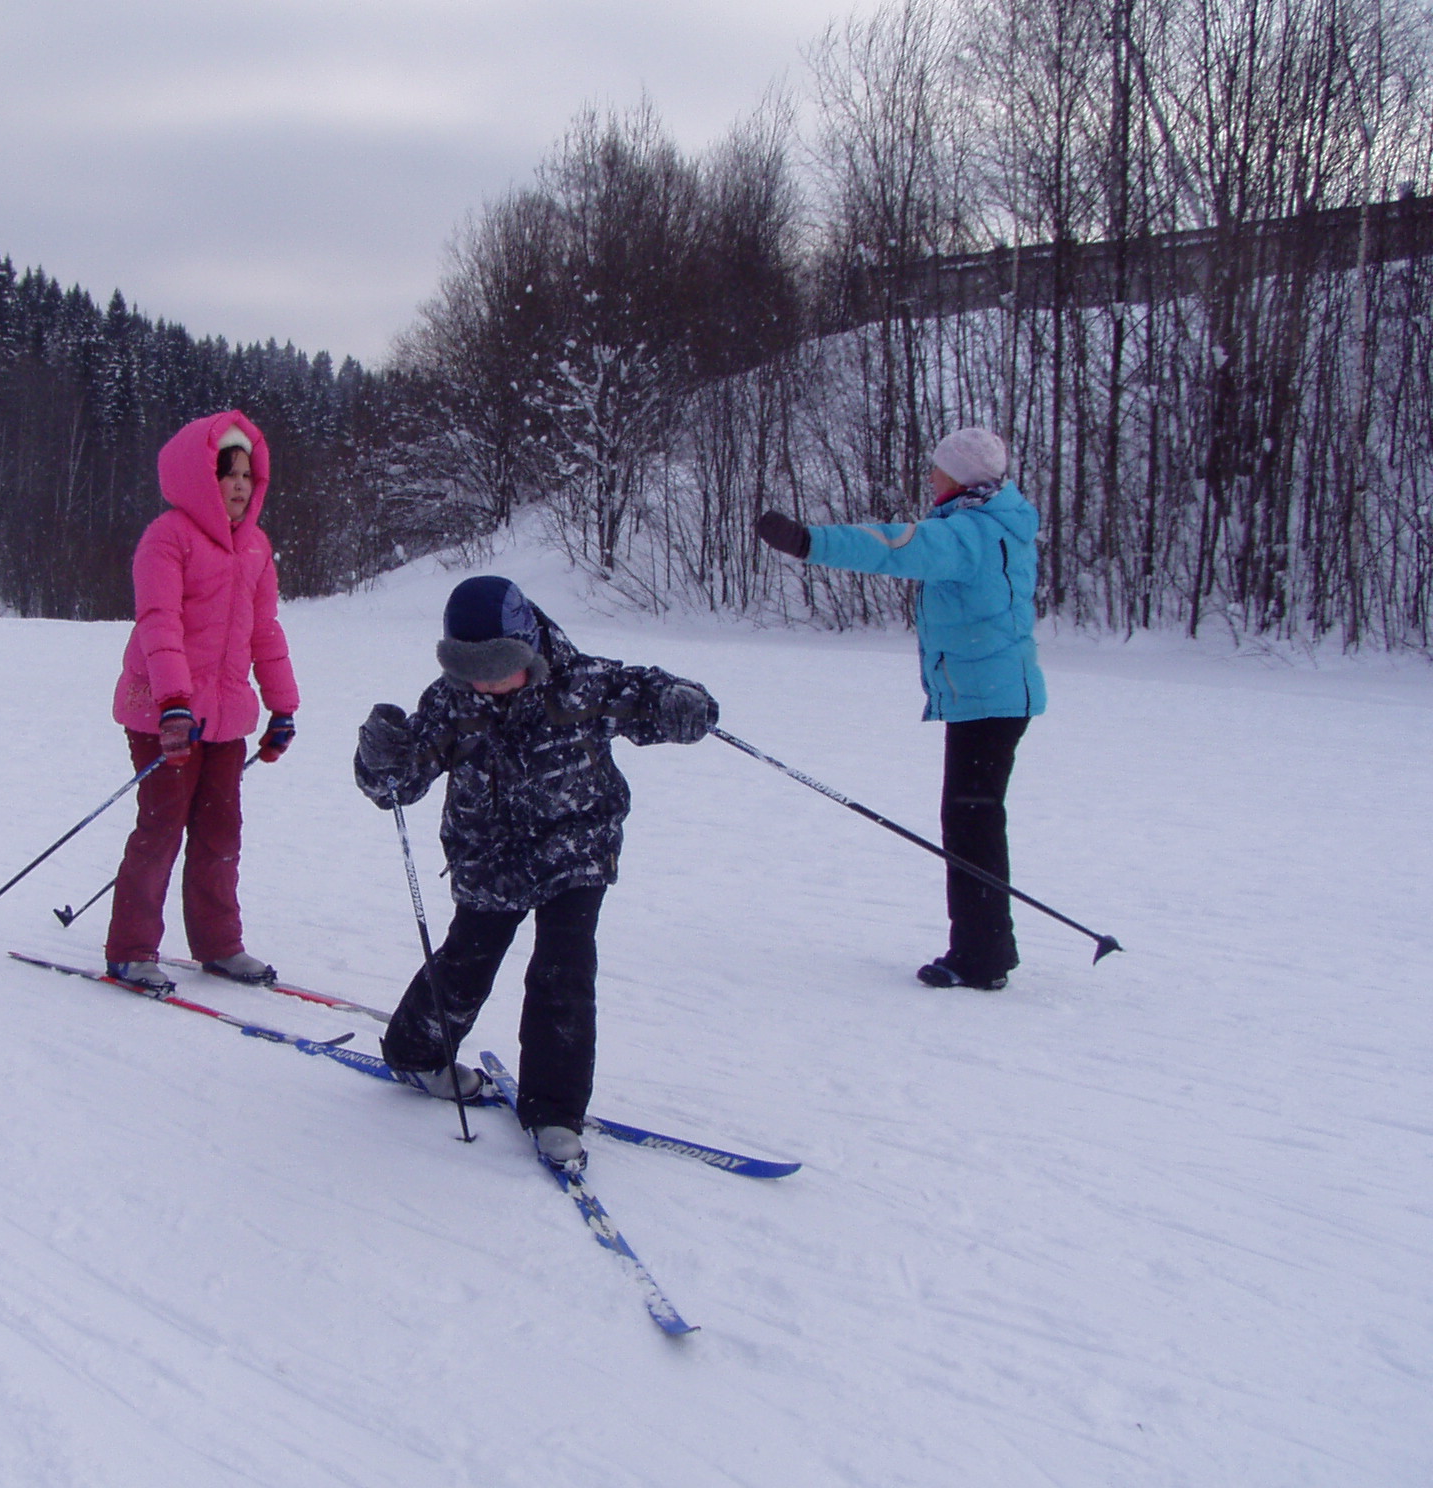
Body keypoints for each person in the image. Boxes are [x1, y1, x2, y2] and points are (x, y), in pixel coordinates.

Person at [353, 575, 718, 1170]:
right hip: (488, 854)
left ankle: (554, 1110)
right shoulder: (450, 701)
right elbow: (400, 782)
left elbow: (651, 695)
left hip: (576, 849)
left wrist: (685, 705)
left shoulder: (584, 683)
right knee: (469, 959)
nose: (488, 681)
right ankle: (416, 1053)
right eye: (473, 669)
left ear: (530, 648)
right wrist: (381, 756)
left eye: (501, 666)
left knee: (563, 970)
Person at [754, 426, 1045, 991]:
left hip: (986, 698)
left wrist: (809, 541)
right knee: (975, 820)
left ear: (961, 476)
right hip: (996, 693)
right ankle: (990, 945)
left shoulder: (968, 533)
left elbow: (892, 546)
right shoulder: (999, 521)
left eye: (939, 468)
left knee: (971, 822)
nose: (931, 477)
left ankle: (982, 956)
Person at [104, 411, 299, 993]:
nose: (239, 484)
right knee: (162, 827)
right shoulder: (168, 537)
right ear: (199, 477)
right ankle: (131, 949)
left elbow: (264, 631)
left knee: (220, 833)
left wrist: (282, 707)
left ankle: (218, 944)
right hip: (162, 713)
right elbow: (159, 622)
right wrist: (173, 703)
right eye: (226, 472)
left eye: (246, 473)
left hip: (224, 719)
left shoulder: (257, 548)